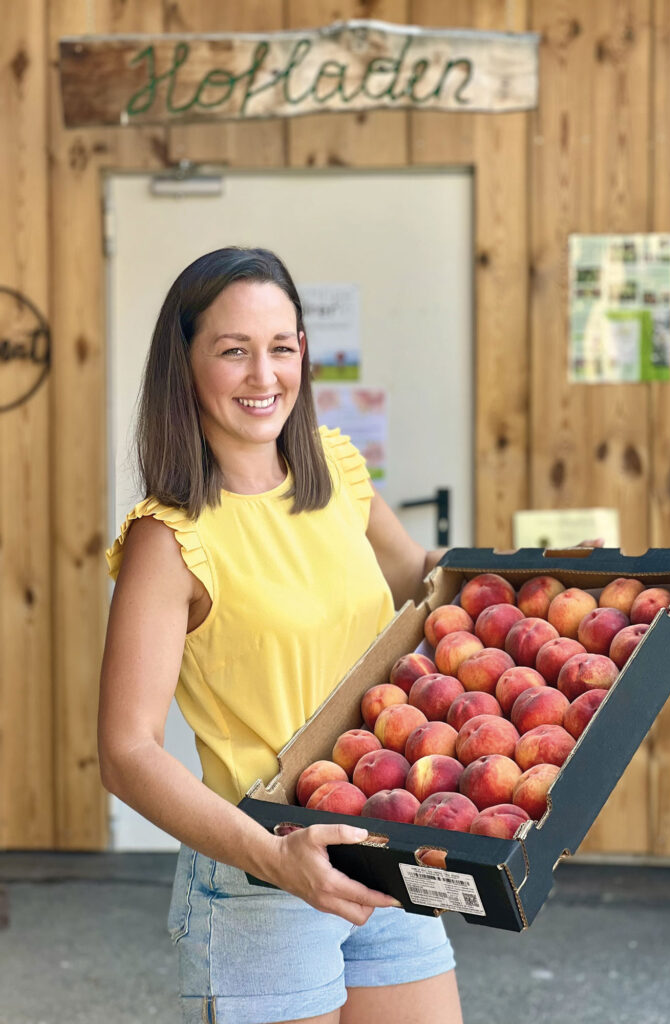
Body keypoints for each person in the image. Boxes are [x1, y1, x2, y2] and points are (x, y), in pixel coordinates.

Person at [98, 246, 464, 1024]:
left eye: (282, 347)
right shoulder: (168, 541)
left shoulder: (334, 469)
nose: (265, 377)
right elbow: (126, 754)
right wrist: (274, 859)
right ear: (186, 366)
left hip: (384, 832)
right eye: (234, 351)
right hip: (260, 873)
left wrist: (544, 580)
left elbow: (420, 579)